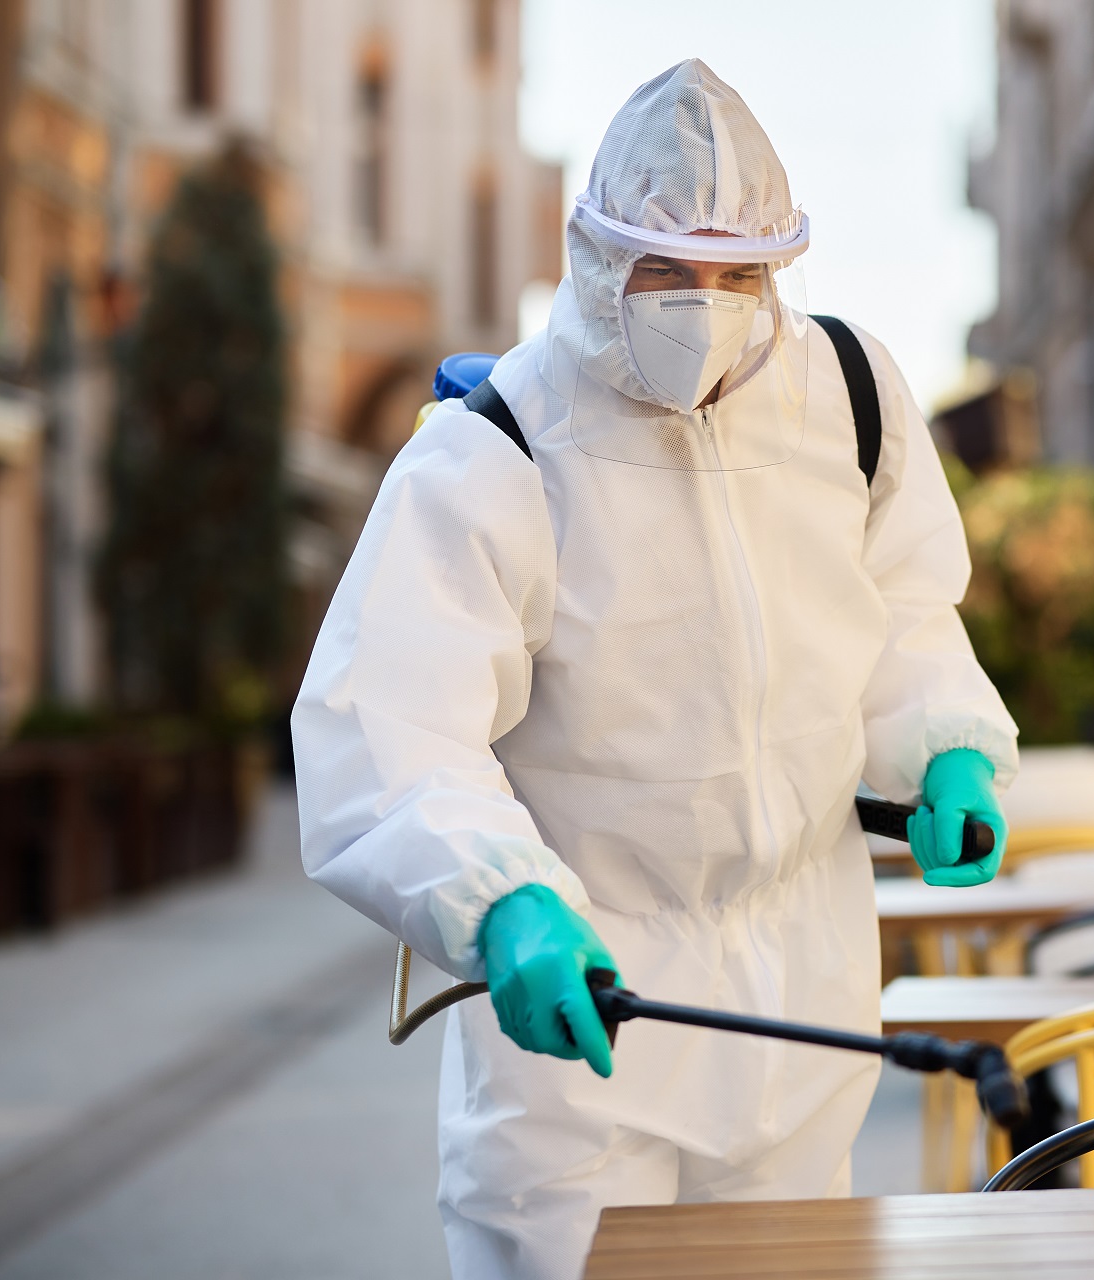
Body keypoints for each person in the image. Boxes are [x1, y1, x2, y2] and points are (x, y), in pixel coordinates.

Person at [293, 59, 1018, 1280]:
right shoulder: (495, 451)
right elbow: (393, 724)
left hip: (804, 986)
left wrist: (943, 742)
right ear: (591, 255)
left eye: (740, 274)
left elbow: (902, 606)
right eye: (666, 269)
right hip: (590, 1008)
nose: (706, 300)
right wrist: (499, 901)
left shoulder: (848, 399)